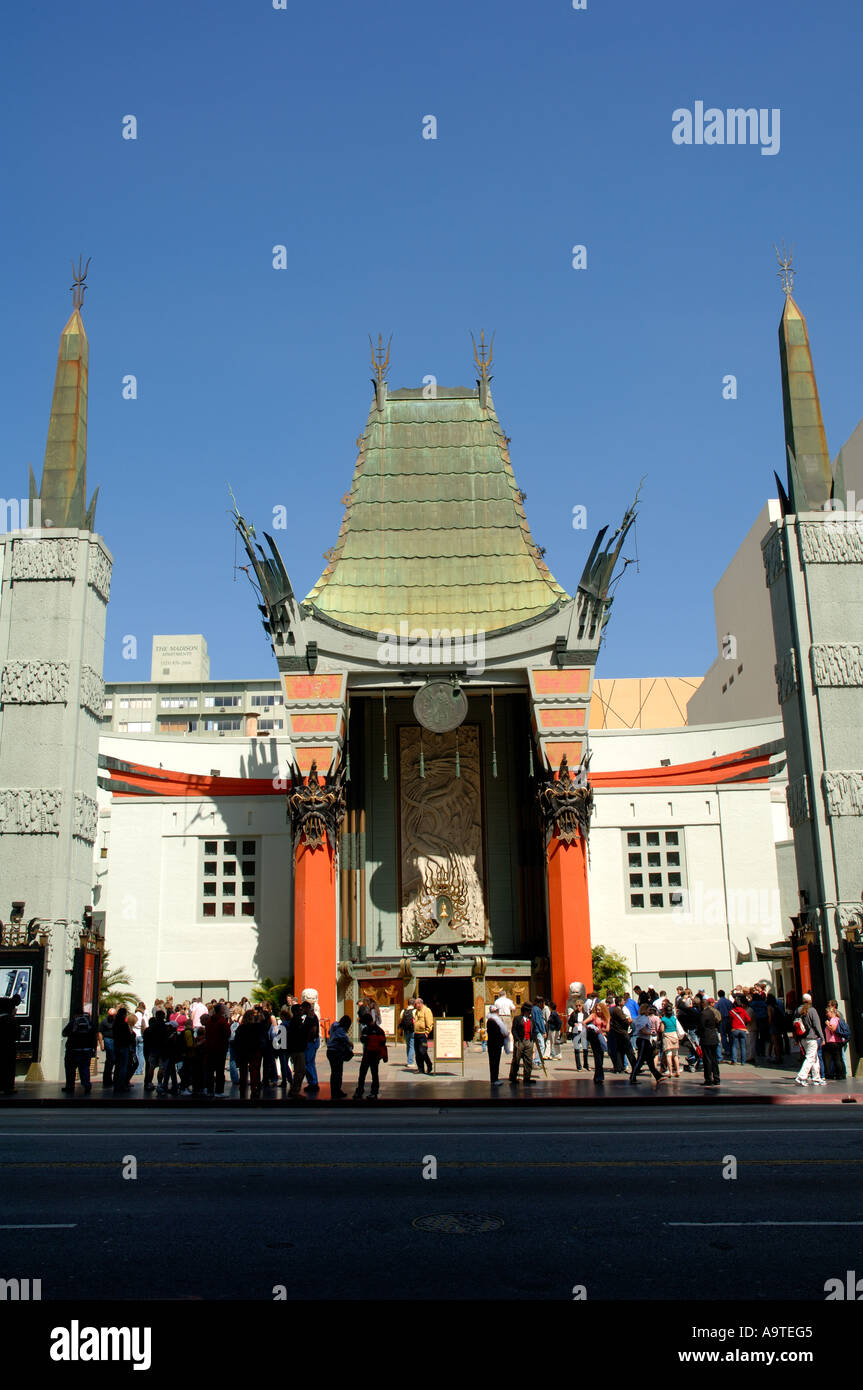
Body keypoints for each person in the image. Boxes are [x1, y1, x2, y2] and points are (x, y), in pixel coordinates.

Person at [61, 1011, 98, 1094]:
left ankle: (70, 1086)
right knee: (84, 1068)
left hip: (72, 1050)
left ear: (75, 1015)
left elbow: (64, 1033)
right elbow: (94, 1036)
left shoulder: (72, 1023)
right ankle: (86, 1085)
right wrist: (93, 1048)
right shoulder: (89, 1023)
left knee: (70, 1069)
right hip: (86, 1050)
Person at [354, 1011, 387, 1099]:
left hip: (367, 1054)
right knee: (375, 1074)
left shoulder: (366, 1030)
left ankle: (360, 1090)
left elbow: (363, 1040)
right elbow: (383, 1042)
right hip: (376, 1055)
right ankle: (374, 1092)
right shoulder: (379, 1030)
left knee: (362, 1073)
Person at [795, 994, 825, 1087]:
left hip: (803, 1038)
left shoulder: (798, 1010)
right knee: (810, 1058)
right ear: (811, 1000)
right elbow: (817, 1025)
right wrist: (822, 1037)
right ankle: (801, 1077)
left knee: (814, 1058)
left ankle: (816, 1078)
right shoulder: (812, 1010)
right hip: (812, 1037)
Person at [630, 1004, 664, 1086]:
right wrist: (651, 1033)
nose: (649, 1011)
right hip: (643, 1040)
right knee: (640, 1059)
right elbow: (642, 1030)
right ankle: (633, 1076)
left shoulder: (640, 1017)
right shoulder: (643, 1018)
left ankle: (657, 1076)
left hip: (644, 1040)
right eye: (648, 1009)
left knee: (649, 1059)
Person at [234, 1009, 264, 1098]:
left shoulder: (241, 1028)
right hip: (254, 1051)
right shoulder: (258, 1027)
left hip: (243, 1052)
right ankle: (254, 1089)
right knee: (254, 1070)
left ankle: (243, 1089)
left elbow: (237, 1041)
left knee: (243, 1072)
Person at [203, 1002, 231, 1096]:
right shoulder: (222, 1021)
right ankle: (219, 1090)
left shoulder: (209, 1021)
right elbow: (227, 1033)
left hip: (210, 1048)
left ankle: (209, 1090)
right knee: (219, 1071)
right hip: (220, 1048)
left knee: (210, 1070)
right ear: (221, 1010)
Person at [583, 999, 610, 1085]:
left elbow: (607, 1029)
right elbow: (584, 1022)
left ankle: (597, 1076)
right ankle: (599, 1076)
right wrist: (590, 1028)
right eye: (597, 1009)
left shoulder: (606, 1017)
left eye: (599, 1009)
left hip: (602, 1037)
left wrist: (601, 1029)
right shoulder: (593, 1015)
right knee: (597, 1055)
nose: (598, 1011)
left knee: (600, 1056)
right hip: (594, 1037)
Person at [143, 1010, 171, 1091]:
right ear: (163, 1016)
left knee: (151, 1066)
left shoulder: (151, 1027)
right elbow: (166, 1039)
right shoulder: (165, 1027)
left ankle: (149, 1083)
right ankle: (159, 1084)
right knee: (161, 1067)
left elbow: (147, 1038)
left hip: (153, 1049)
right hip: (162, 1049)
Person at [326, 1015, 354, 1098]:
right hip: (336, 1052)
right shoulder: (341, 1030)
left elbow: (328, 1033)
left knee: (334, 1072)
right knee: (338, 1072)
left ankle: (334, 1090)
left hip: (330, 1051)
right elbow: (345, 1040)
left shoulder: (334, 1024)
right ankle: (336, 1091)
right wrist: (350, 1045)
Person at [509, 1003, 536, 1084]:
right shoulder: (517, 1019)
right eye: (528, 1011)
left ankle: (527, 1077)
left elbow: (533, 1030)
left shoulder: (531, 1020)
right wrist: (516, 1039)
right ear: (524, 1011)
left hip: (529, 1041)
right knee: (516, 1059)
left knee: (528, 1060)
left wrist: (533, 1039)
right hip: (520, 1041)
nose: (529, 1012)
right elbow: (514, 1030)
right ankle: (513, 1076)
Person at [286, 1003, 309, 1096]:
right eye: (300, 1010)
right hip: (297, 1049)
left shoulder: (296, 1021)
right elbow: (298, 1035)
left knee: (299, 1070)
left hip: (297, 1048)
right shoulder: (296, 1022)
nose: (301, 1011)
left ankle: (295, 1089)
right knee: (300, 1070)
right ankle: (295, 1090)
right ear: (296, 1012)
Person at [697, 998, 722, 1087]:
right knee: (714, 1059)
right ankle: (716, 1078)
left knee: (707, 1059)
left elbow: (701, 1026)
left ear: (703, 1004)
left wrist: (698, 1033)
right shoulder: (712, 1012)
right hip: (713, 1037)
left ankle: (708, 1079)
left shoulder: (704, 1013)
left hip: (707, 1038)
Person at [0, 995, 21, 1094]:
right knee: (8, 1067)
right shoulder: (11, 1020)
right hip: (9, 1047)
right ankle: (8, 1087)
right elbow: (17, 1035)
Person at [609, 997, 635, 1074]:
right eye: (623, 1001)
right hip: (622, 1033)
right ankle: (634, 1066)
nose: (624, 1001)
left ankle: (619, 1067)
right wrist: (629, 1021)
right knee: (629, 1050)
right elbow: (624, 1021)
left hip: (618, 1033)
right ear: (619, 1002)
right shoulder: (618, 1010)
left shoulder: (615, 1010)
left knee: (620, 1051)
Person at [111, 1006, 135, 1092]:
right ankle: (122, 1084)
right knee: (123, 1067)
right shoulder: (124, 1025)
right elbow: (128, 1036)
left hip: (117, 1045)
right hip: (124, 1046)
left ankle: (116, 1084)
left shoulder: (115, 1023)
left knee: (118, 1065)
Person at [822, 1002, 847, 1081]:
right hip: (837, 1041)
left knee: (835, 1058)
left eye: (827, 1012)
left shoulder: (833, 1020)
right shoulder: (838, 1019)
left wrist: (827, 1024)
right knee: (839, 1058)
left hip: (833, 1042)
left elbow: (833, 1029)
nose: (826, 1014)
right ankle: (841, 1074)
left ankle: (836, 1074)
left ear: (832, 1012)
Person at [658, 1000, 682, 1078]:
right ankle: (678, 1071)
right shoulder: (674, 1018)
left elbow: (662, 1029)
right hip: (674, 1035)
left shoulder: (663, 1019)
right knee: (675, 1055)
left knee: (668, 1055)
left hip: (667, 1036)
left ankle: (670, 1072)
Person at [301, 999, 321, 1092]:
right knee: (310, 1062)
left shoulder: (311, 1017)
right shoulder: (311, 1016)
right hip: (311, 1041)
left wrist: (309, 1039)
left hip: (311, 1042)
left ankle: (313, 1082)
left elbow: (313, 1029)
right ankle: (312, 1082)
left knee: (308, 1062)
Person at [486, 1005, 507, 1085]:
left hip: (495, 1044)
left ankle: (495, 1078)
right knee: (494, 1062)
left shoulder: (494, 1020)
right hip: (494, 1044)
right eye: (497, 1011)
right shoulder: (492, 1021)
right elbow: (496, 1033)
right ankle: (494, 1079)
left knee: (496, 1062)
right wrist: (502, 1035)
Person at [412, 996, 434, 1075]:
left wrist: (427, 1032)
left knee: (423, 1051)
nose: (415, 1006)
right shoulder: (417, 1011)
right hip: (416, 1034)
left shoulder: (426, 1010)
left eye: (416, 1004)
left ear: (420, 1003)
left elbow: (430, 1023)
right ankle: (420, 1068)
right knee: (417, 1052)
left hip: (423, 1035)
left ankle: (429, 1064)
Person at [728, 995, 751, 1067]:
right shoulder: (743, 1011)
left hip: (734, 1029)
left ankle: (734, 1060)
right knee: (743, 1046)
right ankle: (743, 1061)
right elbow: (748, 1019)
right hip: (742, 1029)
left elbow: (730, 1021)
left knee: (734, 1046)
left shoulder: (731, 1011)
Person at [97, 1007, 116, 1087]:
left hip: (115, 1040)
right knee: (110, 1060)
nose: (111, 1017)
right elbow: (100, 1032)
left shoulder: (117, 1021)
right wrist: (101, 1044)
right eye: (110, 1015)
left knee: (114, 1060)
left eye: (113, 1016)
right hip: (108, 1040)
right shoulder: (104, 1022)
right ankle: (107, 1079)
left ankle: (113, 1079)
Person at [494, 988, 516, 1056]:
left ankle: (501, 1048)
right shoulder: (508, 1001)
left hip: (499, 1017)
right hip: (507, 1016)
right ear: (505, 994)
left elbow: (494, 1009)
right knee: (509, 1032)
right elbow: (513, 1008)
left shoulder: (497, 1001)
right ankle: (511, 1047)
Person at [569, 998, 588, 1070]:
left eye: (579, 1005)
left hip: (583, 1032)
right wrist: (574, 1024)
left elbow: (588, 1022)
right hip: (576, 1032)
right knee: (577, 1050)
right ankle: (579, 1066)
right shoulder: (573, 1014)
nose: (578, 1007)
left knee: (585, 1049)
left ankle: (586, 1065)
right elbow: (569, 1022)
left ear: (582, 1006)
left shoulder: (585, 1014)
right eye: (577, 1006)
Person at [715, 990, 733, 1060]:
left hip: (722, 1019)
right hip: (729, 1019)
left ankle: (727, 1049)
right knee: (730, 1034)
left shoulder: (719, 1002)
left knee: (723, 1035)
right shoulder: (729, 1002)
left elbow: (716, 1010)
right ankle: (731, 1049)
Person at [530, 998, 548, 1067]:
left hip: (535, 1030)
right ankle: (537, 1060)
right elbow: (539, 1021)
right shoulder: (537, 1010)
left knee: (538, 1045)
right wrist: (543, 1031)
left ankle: (537, 1060)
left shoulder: (533, 1009)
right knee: (542, 1045)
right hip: (538, 1030)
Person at [399, 1000, 416, 1067]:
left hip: (405, 1030)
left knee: (408, 1046)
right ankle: (410, 1062)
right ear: (413, 1004)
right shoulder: (414, 1011)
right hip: (412, 1030)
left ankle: (409, 1060)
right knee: (412, 1046)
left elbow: (400, 1019)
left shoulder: (403, 1011)